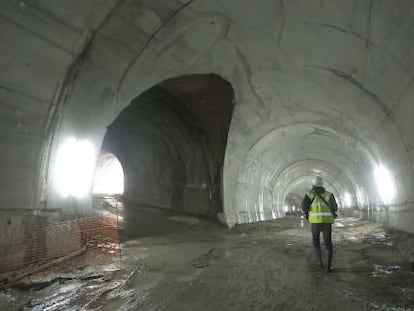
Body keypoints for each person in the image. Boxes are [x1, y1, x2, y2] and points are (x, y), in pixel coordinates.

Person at [301, 176, 338, 272]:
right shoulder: (329, 195)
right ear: (322, 184)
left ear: (313, 185)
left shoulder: (309, 195)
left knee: (316, 242)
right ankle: (329, 267)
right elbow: (335, 207)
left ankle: (320, 262)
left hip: (315, 223)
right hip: (327, 223)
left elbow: (304, 206)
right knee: (328, 244)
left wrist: (307, 213)